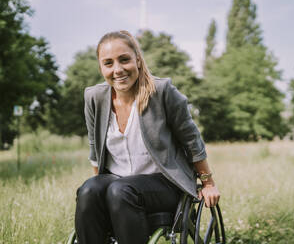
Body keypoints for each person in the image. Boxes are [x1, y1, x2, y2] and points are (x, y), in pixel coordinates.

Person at [75, 30, 220, 244]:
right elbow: (95, 147)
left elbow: (192, 140)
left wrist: (208, 183)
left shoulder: (162, 91)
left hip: (163, 182)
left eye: (124, 60)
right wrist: (98, 188)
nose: (118, 70)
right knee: (88, 190)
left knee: (120, 191)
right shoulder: (94, 97)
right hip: (118, 180)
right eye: (108, 63)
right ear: (101, 68)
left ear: (138, 60)